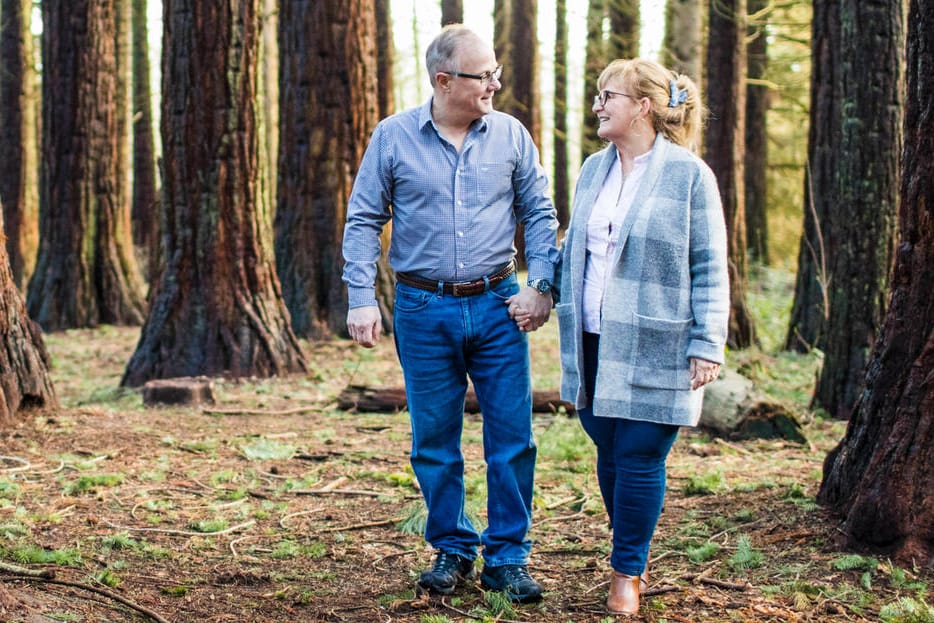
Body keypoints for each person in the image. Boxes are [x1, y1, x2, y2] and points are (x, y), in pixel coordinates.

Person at [341, 24, 559, 604]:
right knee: (433, 440)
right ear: (443, 81)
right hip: (421, 307)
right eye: (483, 75)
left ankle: (508, 558)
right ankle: (453, 548)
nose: (495, 83)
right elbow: (364, 219)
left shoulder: (511, 135)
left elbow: (540, 213)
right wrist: (361, 295)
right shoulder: (392, 138)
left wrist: (540, 285)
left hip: (496, 305)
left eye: (495, 73)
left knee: (511, 438)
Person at [551, 58, 729, 615]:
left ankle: (626, 570)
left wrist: (707, 341)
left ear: (643, 107)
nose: (598, 105)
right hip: (593, 338)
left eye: (609, 96)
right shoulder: (590, 170)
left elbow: (709, 263)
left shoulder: (689, 174)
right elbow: (572, 249)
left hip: (659, 340)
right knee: (607, 447)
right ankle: (629, 544)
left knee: (640, 454)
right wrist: (540, 288)